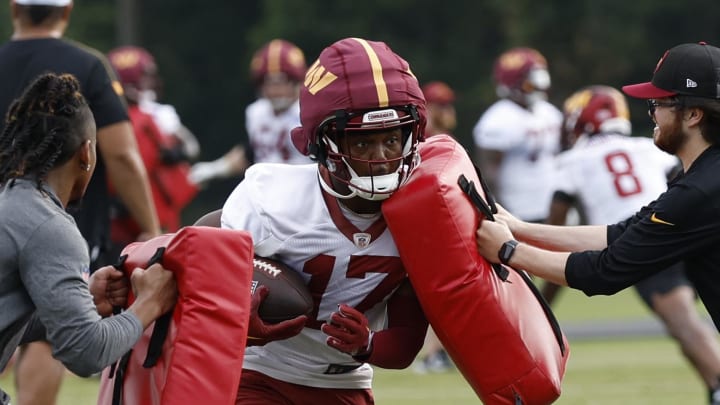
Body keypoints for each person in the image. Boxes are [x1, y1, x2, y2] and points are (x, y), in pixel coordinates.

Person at [475, 42, 720, 404]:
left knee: (682, 322)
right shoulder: (700, 178)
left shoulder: (697, 192)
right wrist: (520, 228)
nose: (650, 114)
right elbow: (619, 233)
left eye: (657, 104)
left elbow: (603, 272)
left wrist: (509, 250)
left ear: (693, 114)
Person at [221, 37, 429, 404]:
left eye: (392, 140)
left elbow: (405, 344)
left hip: (342, 383)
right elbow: (202, 250)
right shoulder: (273, 199)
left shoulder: (424, 217)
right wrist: (234, 306)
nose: (380, 159)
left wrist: (367, 344)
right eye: (362, 143)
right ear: (326, 143)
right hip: (258, 372)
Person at [0, 1, 161, 404]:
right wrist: (151, 303)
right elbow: (85, 353)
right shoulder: (49, 225)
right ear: (87, 154)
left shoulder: (10, 203)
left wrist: (82, 298)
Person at [542, 84, 720, 397]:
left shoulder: (571, 162)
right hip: (675, 227)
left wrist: (544, 303)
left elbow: (557, 229)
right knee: (681, 322)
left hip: (647, 238)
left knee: (682, 321)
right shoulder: (647, 147)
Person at [107, 46, 198, 251]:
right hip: (123, 207)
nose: (150, 83)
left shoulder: (158, 114)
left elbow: (191, 147)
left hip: (157, 199)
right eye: (144, 77)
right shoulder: (113, 116)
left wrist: (175, 154)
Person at [189, 38, 310, 185]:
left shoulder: (308, 112)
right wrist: (215, 168)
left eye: (281, 82)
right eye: (268, 83)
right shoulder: (257, 112)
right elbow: (251, 152)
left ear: (296, 82)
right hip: (266, 191)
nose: (274, 91)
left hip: (304, 188)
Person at [472, 47, 562, 223]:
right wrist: (500, 213)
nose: (540, 86)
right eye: (531, 82)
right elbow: (488, 175)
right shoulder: (497, 120)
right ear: (512, 84)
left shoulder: (549, 112)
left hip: (552, 210)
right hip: (520, 213)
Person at [412, 80, 456, 374]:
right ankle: (433, 355)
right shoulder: (424, 138)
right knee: (440, 291)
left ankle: (437, 353)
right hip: (423, 221)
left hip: (434, 219)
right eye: (440, 105)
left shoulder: (441, 136)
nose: (446, 111)